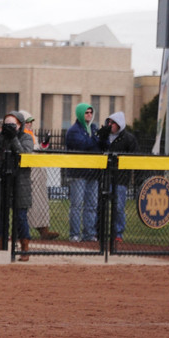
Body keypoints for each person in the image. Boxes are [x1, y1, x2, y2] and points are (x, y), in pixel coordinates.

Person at [96, 111, 138, 242]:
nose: (110, 125)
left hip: (120, 178)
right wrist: (100, 138)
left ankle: (118, 234)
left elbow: (135, 157)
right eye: (109, 122)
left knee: (118, 207)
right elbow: (98, 150)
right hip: (105, 176)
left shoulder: (128, 138)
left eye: (113, 123)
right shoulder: (105, 136)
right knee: (101, 206)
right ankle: (99, 232)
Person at [0, 111, 32, 260]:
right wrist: (3, 136)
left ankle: (24, 248)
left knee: (20, 216)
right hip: (4, 181)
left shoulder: (26, 137)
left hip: (20, 182)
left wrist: (14, 137)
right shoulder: (0, 138)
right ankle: (1, 245)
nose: (9, 127)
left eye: (13, 124)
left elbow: (24, 154)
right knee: (1, 215)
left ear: (20, 125)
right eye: (7, 124)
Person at [20, 110, 58, 240]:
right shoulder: (21, 136)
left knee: (41, 203)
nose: (30, 124)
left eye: (31, 122)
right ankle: (25, 232)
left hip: (39, 171)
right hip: (29, 173)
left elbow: (38, 150)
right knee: (29, 204)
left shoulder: (31, 135)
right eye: (28, 122)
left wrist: (44, 143)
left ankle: (44, 230)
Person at [65, 103, 99, 242]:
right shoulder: (73, 131)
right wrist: (95, 139)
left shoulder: (94, 128)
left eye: (91, 112)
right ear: (80, 114)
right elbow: (85, 144)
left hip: (93, 172)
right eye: (86, 113)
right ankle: (74, 234)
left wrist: (97, 138)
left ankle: (89, 234)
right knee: (77, 205)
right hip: (78, 173)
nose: (89, 115)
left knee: (91, 205)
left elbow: (99, 146)